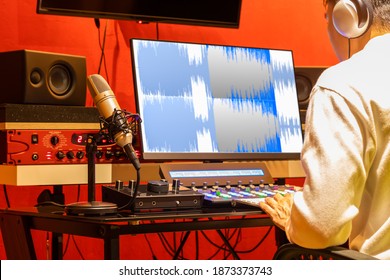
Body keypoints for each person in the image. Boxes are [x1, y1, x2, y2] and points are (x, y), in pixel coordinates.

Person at [260, 0, 390, 260]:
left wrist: (295, 220)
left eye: (327, 17)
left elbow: (321, 228)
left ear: (348, 15)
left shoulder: (344, 83)